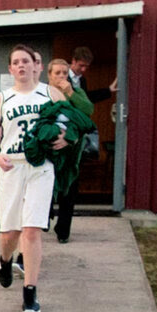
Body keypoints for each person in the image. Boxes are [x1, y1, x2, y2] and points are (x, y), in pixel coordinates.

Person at [0, 44, 66, 312]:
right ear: (10, 69)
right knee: (10, 232)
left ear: (35, 65)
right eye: (16, 62)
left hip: (40, 166)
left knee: (32, 229)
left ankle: (30, 292)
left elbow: (73, 123)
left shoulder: (50, 94)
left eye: (25, 61)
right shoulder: (3, 99)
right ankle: (5, 260)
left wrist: (65, 138)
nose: (21, 66)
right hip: (12, 167)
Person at [53, 47, 114, 243]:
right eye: (81, 66)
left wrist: (107, 91)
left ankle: (63, 231)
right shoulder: (54, 85)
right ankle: (44, 219)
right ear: (73, 62)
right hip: (55, 140)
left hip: (74, 142)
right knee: (50, 184)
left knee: (71, 186)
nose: (84, 70)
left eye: (87, 67)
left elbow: (85, 103)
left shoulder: (80, 83)